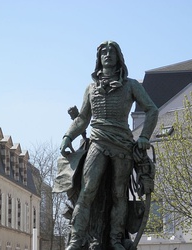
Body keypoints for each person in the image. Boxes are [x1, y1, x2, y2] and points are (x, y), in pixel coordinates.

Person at [60, 41, 158, 250]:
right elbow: (83, 118)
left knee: (119, 193)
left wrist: (144, 137)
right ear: (98, 59)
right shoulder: (91, 87)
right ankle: (77, 240)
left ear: (118, 56)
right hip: (98, 141)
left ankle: (115, 240)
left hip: (122, 145)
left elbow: (152, 110)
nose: (107, 55)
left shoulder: (131, 85)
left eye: (111, 51)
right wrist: (68, 136)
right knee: (88, 190)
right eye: (103, 52)